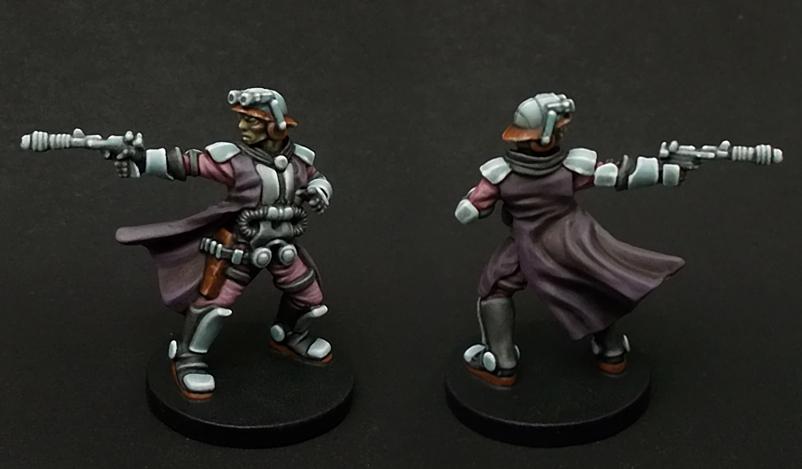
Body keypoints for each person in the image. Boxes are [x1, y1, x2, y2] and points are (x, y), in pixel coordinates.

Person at [112, 87, 334, 399]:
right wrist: (142, 158)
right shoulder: (235, 161)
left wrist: (320, 190)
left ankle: (288, 334)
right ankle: (188, 357)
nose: (242, 127)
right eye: (242, 120)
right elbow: (189, 163)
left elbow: (317, 177)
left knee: (310, 297)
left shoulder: (299, 160)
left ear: (276, 125)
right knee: (214, 306)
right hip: (240, 249)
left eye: (251, 121)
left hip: (282, 247)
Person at [455, 93, 687, 386]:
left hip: (529, 244)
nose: (562, 134)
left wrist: (474, 201)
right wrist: (665, 171)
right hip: (573, 240)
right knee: (592, 285)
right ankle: (611, 351)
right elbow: (616, 174)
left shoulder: (500, 175)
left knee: (495, 290)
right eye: (558, 130)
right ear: (546, 136)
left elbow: (468, 212)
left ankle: (501, 363)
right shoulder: (571, 166)